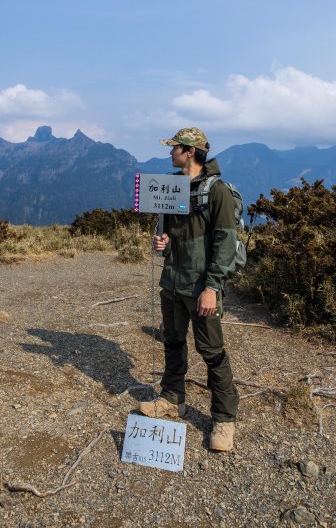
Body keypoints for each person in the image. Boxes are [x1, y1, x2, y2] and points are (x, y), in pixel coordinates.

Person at [138, 127, 239, 452]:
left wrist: (212, 287)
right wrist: (162, 242)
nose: (170, 154)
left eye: (175, 149)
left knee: (211, 351)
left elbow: (226, 242)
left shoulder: (217, 191)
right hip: (173, 281)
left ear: (191, 151)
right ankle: (172, 398)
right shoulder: (172, 188)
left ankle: (223, 419)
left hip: (200, 286)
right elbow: (168, 235)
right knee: (172, 339)